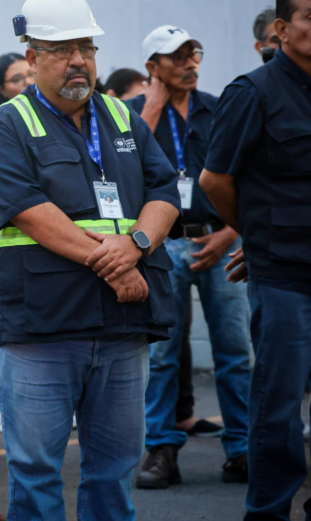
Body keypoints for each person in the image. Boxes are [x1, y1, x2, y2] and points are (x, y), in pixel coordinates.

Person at [0, 0, 181, 521]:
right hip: (43, 329)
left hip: (122, 327)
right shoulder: (6, 127)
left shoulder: (123, 117)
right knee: (36, 472)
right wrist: (116, 266)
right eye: (62, 50)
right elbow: (30, 212)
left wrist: (135, 245)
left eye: (86, 47)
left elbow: (164, 192)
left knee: (114, 471)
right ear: (32, 57)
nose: (78, 60)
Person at [201, 0, 311, 521]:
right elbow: (214, 179)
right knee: (279, 403)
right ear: (282, 29)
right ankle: (268, 512)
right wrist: (256, 233)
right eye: (310, 17)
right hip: (285, 274)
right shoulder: (253, 91)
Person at [128, 25, 252, 488]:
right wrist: (152, 106)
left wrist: (232, 233)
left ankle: (242, 449)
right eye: (176, 57)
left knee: (234, 350)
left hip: (218, 240)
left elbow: (246, 175)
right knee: (162, 353)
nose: (189, 63)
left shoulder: (217, 108)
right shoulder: (132, 114)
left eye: (192, 54)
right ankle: (162, 450)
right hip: (162, 243)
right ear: (152, 67)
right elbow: (125, 170)